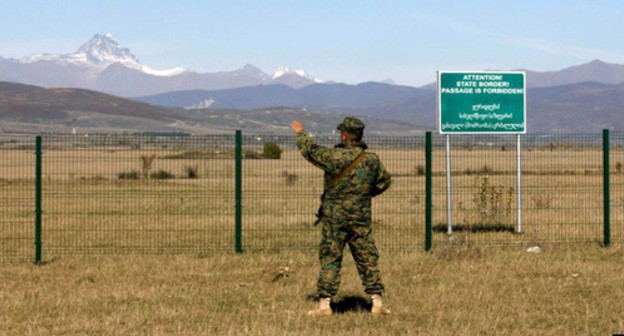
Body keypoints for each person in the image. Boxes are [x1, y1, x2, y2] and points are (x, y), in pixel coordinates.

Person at [290, 117, 392, 317]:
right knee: (367, 257)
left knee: (330, 257)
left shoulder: (334, 157)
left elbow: (310, 151)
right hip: (360, 218)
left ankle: (324, 305)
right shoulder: (371, 160)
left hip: (334, 219)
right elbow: (384, 182)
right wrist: (363, 195)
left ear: (344, 135)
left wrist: (301, 132)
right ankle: (377, 303)